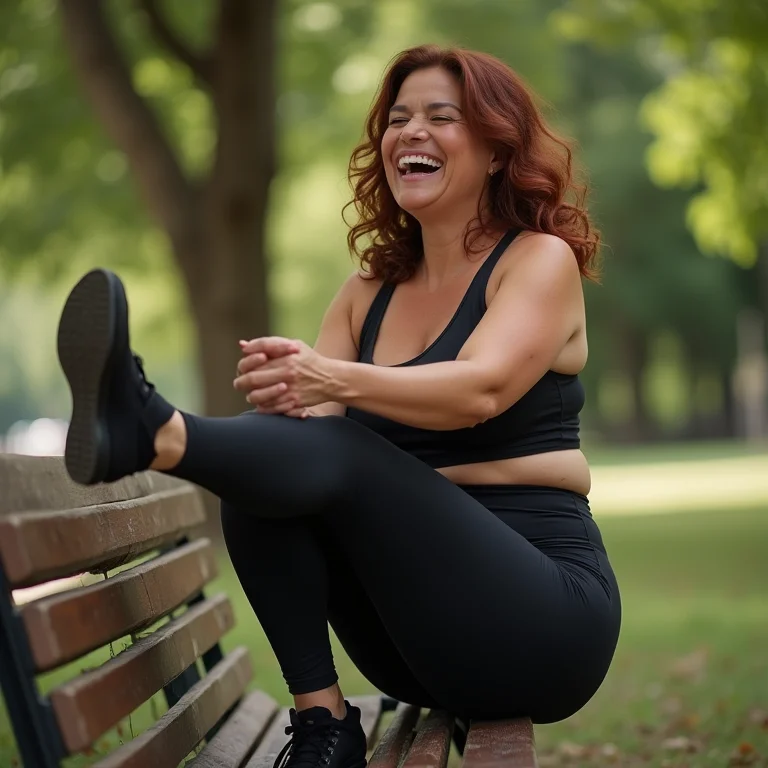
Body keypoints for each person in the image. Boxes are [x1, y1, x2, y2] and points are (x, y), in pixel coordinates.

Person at [56, 44, 620, 768]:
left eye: (440, 117)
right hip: (411, 643)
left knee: (337, 450)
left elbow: (480, 389)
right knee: (266, 475)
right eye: (397, 118)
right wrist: (292, 402)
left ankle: (154, 431)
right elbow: (309, 449)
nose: (409, 132)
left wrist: (332, 381)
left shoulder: (537, 259)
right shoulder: (365, 294)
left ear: (494, 151)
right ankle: (324, 726)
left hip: (544, 622)